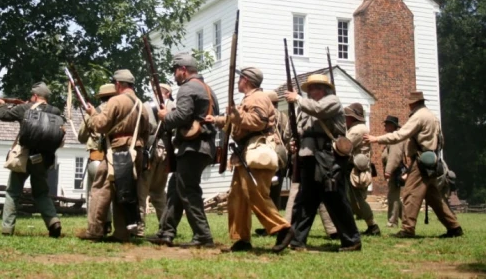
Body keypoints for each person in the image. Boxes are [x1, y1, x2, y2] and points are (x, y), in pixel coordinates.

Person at [209, 67, 293, 253]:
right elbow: (236, 121)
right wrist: (216, 119)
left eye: (240, 79)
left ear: (245, 80)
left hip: (258, 150)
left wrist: (236, 115)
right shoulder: (249, 99)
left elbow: (257, 121)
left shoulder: (259, 98)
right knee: (238, 196)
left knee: (255, 193)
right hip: (246, 153)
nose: (238, 81)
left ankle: (282, 228)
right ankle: (241, 239)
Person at [364, 91, 463, 239]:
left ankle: (408, 229)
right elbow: (441, 140)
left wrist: (376, 138)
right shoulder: (432, 116)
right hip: (431, 160)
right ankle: (454, 227)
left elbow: (400, 135)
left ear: (412, 103)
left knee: (410, 193)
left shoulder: (419, 116)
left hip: (420, 160)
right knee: (433, 197)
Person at [284, 74, 362, 252]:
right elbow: (301, 130)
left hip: (328, 157)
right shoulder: (304, 106)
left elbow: (318, 110)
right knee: (306, 200)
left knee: (336, 199)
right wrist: (295, 141)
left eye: (315, 88)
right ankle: (297, 241)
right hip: (308, 157)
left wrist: (297, 98)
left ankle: (352, 240)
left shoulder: (331, 101)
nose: (311, 91)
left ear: (325, 90)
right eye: (310, 89)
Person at [148, 53, 216, 248]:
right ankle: (166, 231)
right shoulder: (208, 89)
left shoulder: (188, 88)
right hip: (202, 147)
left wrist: (165, 116)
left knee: (188, 190)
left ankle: (203, 235)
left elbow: (181, 116)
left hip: (193, 147)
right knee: (175, 188)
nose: (174, 75)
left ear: (183, 70)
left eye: (175, 71)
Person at [81, 70, 150, 242]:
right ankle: (121, 233)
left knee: (100, 190)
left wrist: (92, 114)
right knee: (125, 191)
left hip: (117, 151)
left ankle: (94, 231)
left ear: (118, 85)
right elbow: (146, 132)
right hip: (136, 151)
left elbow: (101, 125)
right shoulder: (142, 105)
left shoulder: (115, 100)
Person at [0, 82, 63, 238]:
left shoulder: (25, 109)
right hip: (43, 160)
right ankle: (53, 221)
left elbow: (3, 116)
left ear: (35, 96)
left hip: (24, 157)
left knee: (13, 192)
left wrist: (2, 105)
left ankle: (7, 228)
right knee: (41, 193)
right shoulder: (56, 111)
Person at [77, 83, 116, 236]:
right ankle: (108, 224)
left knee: (95, 196)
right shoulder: (117, 111)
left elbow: (81, 136)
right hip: (115, 160)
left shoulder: (95, 111)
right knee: (111, 196)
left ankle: (95, 227)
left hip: (96, 158)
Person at [136, 83, 172, 238]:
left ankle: (139, 229)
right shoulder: (175, 107)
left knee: (141, 192)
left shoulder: (146, 106)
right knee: (158, 192)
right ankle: (165, 227)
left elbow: (141, 127)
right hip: (167, 153)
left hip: (150, 152)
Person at [344, 103, 380, 236]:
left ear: (353, 117)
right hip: (355, 167)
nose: (345, 119)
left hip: (356, 170)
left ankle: (373, 225)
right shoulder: (356, 128)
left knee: (358, 200)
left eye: (347, 116)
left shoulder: (357, 130)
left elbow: (344, 145)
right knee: (354, 200)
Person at [380, 115, 407, 228]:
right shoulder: (392, 138)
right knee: (394, 196)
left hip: (395, 171)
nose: (385, 125)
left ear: (392, 126)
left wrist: (388, 171)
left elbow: (394, 157)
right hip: (394, 170)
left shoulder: (395, 139)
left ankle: (392, 222)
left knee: (393, 197)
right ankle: (406, 219)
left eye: (387, 124)